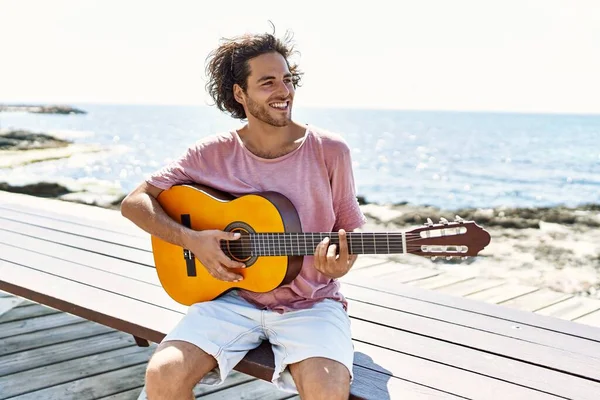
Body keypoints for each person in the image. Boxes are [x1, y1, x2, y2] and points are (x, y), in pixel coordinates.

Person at [120, 26, 367, 400]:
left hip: (312, 304)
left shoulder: (330, 151)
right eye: (268, 82)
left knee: (328, 390)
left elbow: (350, 232)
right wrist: (193, 240)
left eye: (287, 79)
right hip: (230, 299)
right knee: (163, 374)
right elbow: (135, 202)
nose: (284, 91)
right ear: (240, 93)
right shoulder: (211, 153)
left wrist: (341, 265)